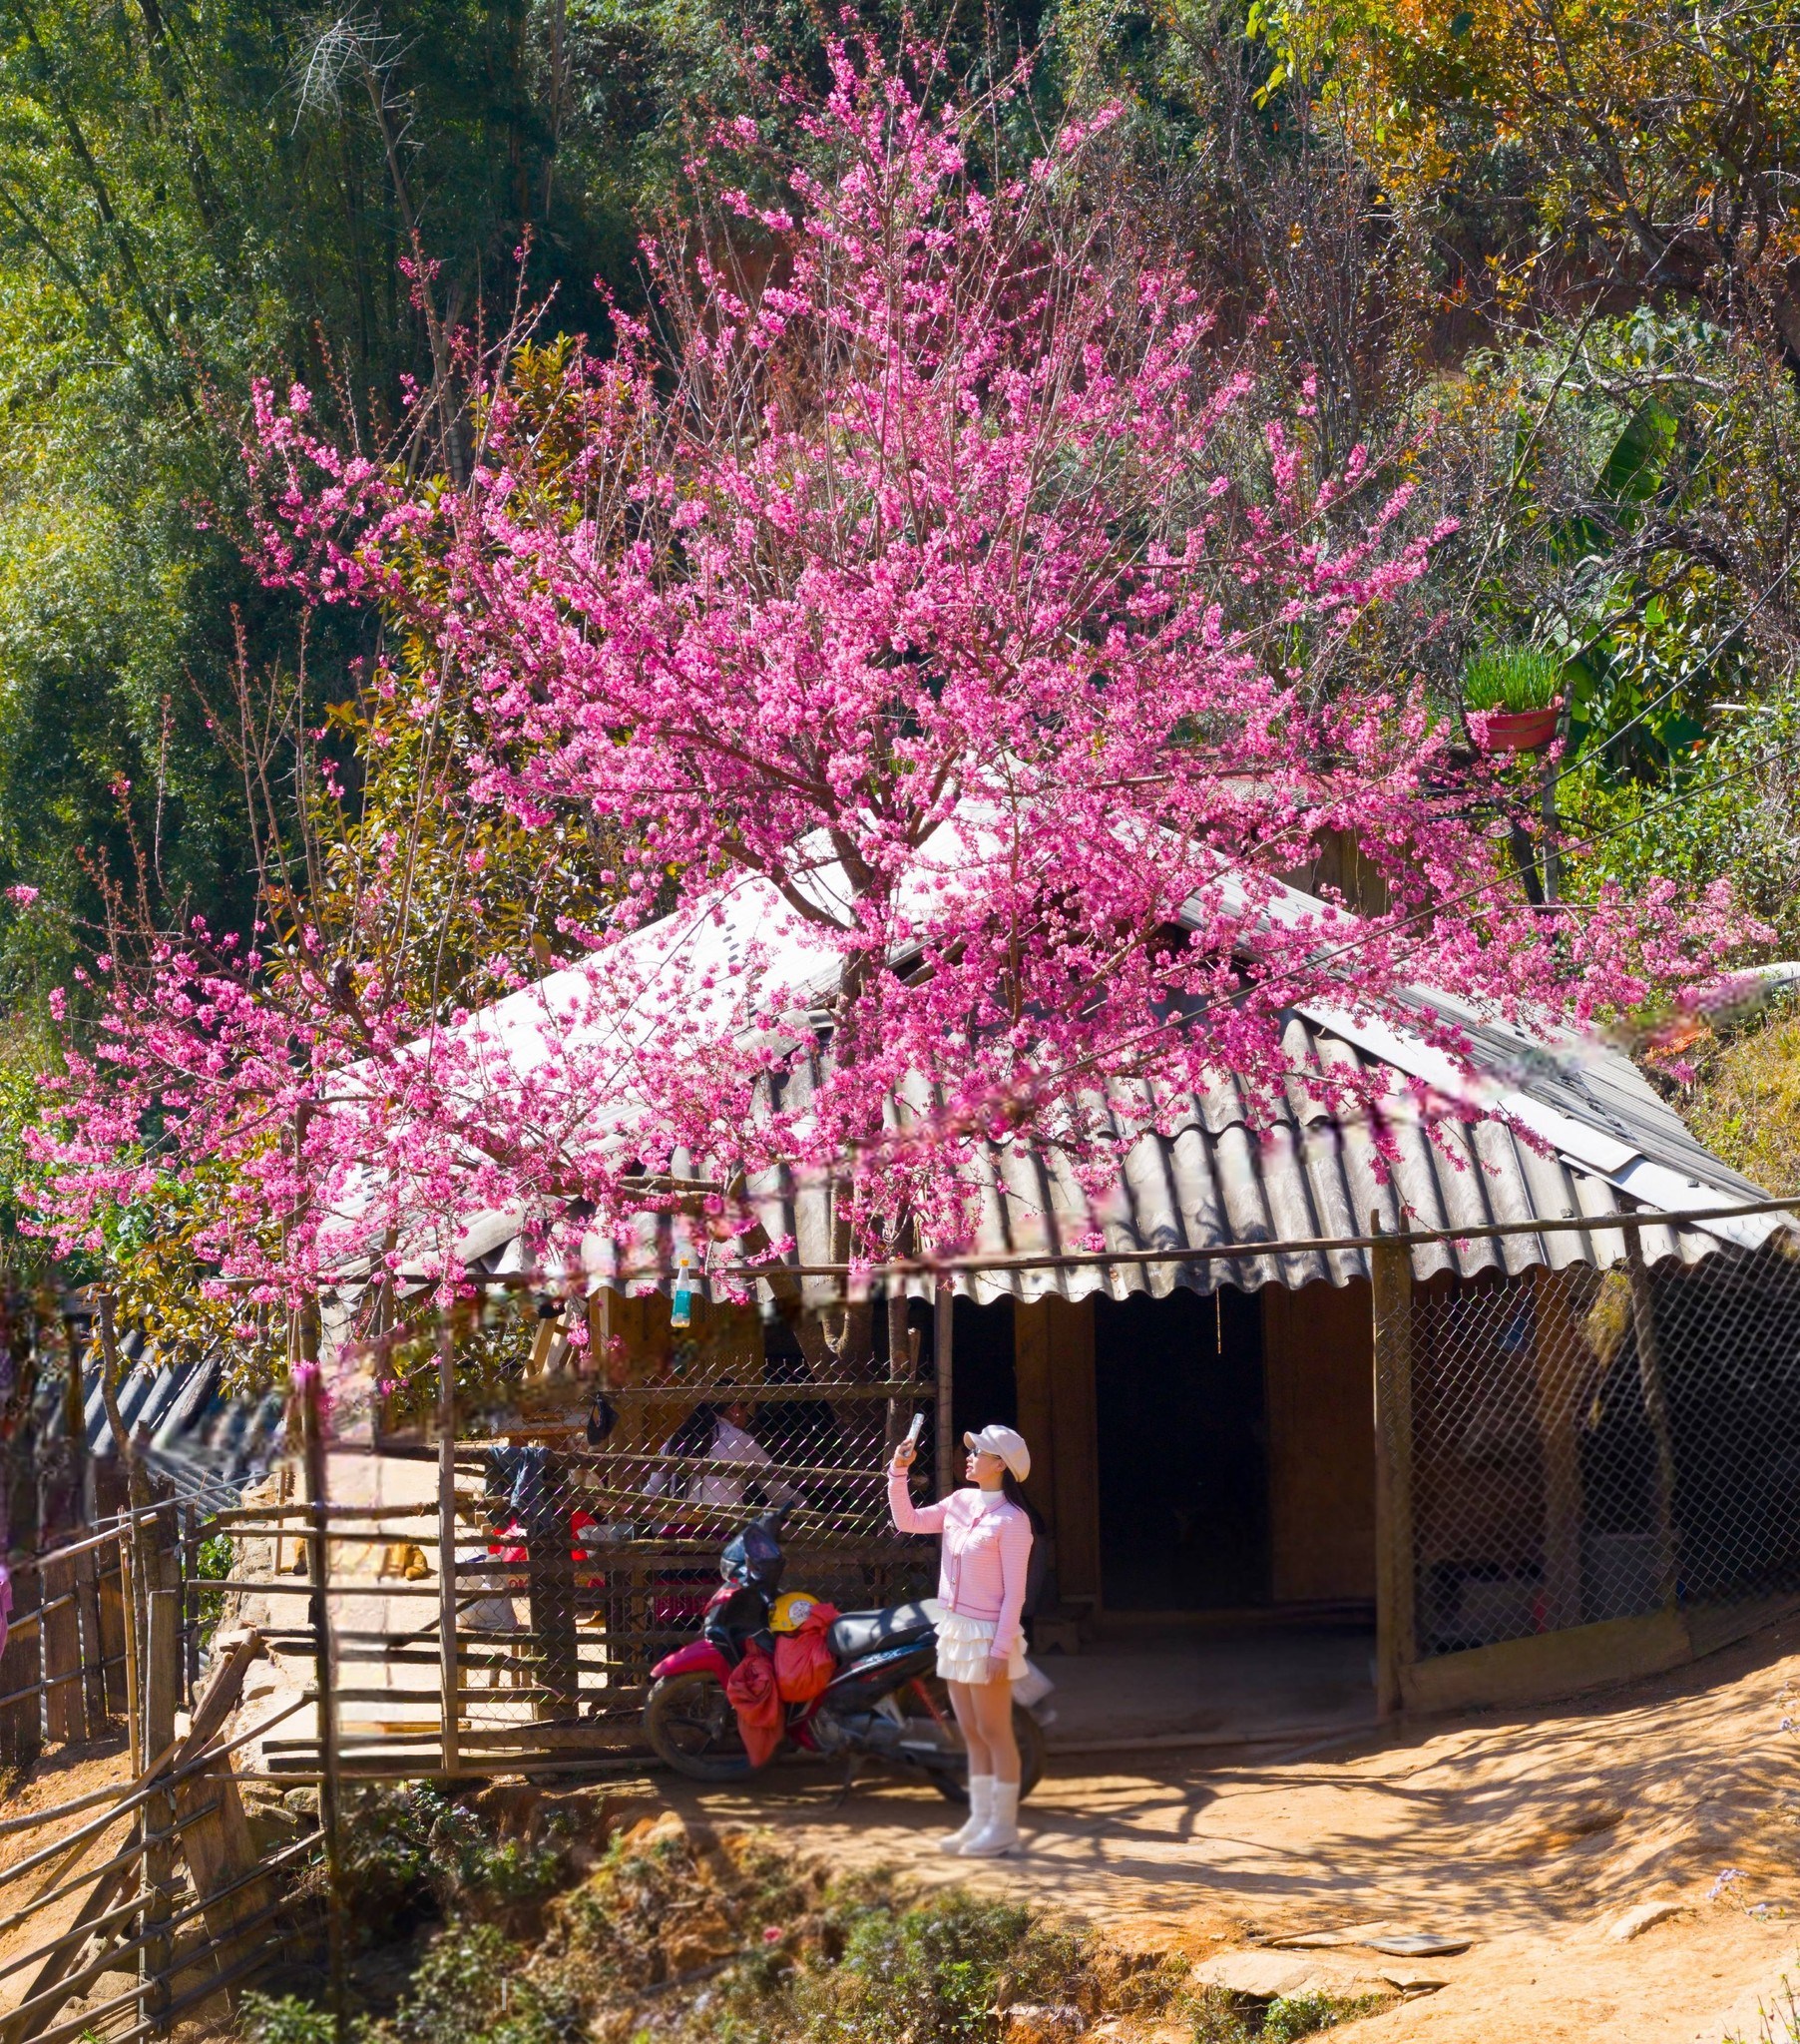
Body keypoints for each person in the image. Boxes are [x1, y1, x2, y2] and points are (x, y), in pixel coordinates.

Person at [889, 1421, 1033, 1858]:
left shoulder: (1013, 1521)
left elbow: (1015, 1595)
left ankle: (1002, 1827)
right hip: (955, 1629)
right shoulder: (959, 1502)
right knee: (969, 1731)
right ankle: (980, 1818)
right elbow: (908, 1521)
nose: (968, 1457)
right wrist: (898, 1470)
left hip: (988, 1635)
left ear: (1000, 1465)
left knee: (995, 1731)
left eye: (978, 1452)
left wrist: (1000, 1649)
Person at [643, 1390, 799, 1510]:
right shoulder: (742, 1439)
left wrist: (660, 1526)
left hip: (677, 1531)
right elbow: (780, 1493)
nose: (747, 1417)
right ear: (736, 1408)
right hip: (724, 1532)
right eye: (746, 1410)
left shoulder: (676, 1439)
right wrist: (809, 1511)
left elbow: (650, 1493)